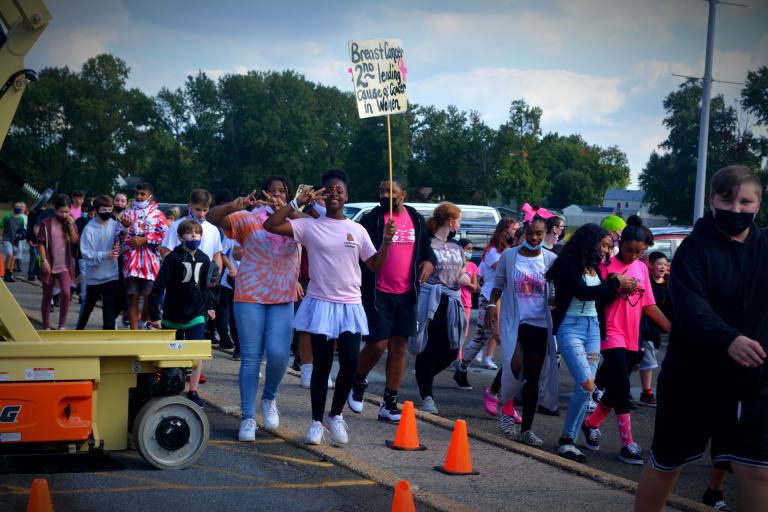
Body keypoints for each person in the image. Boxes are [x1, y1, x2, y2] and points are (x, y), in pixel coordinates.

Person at [635, 165, 766, 512]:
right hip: (694, 382)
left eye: (745, 202)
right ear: (711, 201)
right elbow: (691, 310)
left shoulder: (766, 247)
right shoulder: (694, 249)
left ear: (758, 204)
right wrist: (729, 339)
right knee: (667, 465)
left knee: (758, 472)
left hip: (754, 385)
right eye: (726, 200)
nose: (736, 210)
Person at [263, 169, 396, 446]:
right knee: (322, 367)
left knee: (349, 363)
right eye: (328, 190)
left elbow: (374, 265)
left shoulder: (357, 230)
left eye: (339, 191)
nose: (334, 193)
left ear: (346, 197)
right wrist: (296, 202)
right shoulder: (309, 225)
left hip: (349, 305)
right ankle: (316, 422)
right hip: (321, 303)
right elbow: (271, 225)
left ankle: (335, 415)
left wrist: (386, 241)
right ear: (321, 196)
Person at [207, 174, 303, 441]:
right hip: (250, 293)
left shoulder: (296, 220)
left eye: (281, 191)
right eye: (271, 191)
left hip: (283, 295)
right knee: (251, 357)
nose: (275, 195)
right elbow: (213, 219)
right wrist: (231, 207)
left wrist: (292, 209)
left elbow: (320, 229)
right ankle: (248, 418)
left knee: (279, 353)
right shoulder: (248, 217)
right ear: (263, 192)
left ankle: (269, 398)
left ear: (288, 194)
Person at [580, 215, 671, 465]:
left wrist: (671, 328)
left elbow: (649, 304)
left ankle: (590, 424)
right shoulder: (606, 265)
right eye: (627, 250)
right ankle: (627, 444)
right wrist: (615, 286)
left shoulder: (642, 267)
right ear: (620, 243)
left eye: (638, 251)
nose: (631, 256)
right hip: (610, 331)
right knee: (621, 384)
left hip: (633, 335)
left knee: (616, 385)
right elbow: (597, 299)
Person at [347, 176, 436, 424]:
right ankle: (358, 381)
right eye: (382, 190)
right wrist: (383, 238)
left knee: (399, 348)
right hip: (378, 293)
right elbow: (360, 251)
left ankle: (389, 403)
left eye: (390, 191)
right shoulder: (372, 219)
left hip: (407, 293)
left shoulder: (415, 218)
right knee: (376, 345)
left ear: (403, 195)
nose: (385, 195)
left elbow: (427, 250)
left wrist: (429, 262)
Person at [546, 223, 634, 462]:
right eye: (604, 245)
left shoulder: (595, 266)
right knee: (586, 386)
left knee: (585, 390)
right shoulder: (568, 265)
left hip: (593, 329)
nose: (607, 251)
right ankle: (567, 440)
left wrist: (619, 285)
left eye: (609, 246)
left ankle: (567, 440)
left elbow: (599, 297)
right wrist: (615, 284)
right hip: (571, 329)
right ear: (590, 242)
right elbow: (583, 292)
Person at [484, 203, 558, 446]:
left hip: (540, 325)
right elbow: (498, 285)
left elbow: (553, 293)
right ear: (523, 232)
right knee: (513, 366)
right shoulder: (509, 256)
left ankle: (526, 430)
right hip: (514, 321)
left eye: (539, 234)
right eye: (530, 233)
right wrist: (491, 305)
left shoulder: (551, 259)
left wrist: (555, 300)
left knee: (533, 378)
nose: (535, 238)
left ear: (546, 232)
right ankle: (506, 410)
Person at [149, 218, 215, 408]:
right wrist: (155, 316)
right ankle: (169, 388)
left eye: (197, 232)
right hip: (172, 315)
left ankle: (193, 391)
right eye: (189, 233)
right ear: (180, 237)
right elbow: (157, 289)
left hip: (196, 314)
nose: (194, 235)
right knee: (172, 355)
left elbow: (204, 287)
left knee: (196, 353)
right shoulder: (172, 258)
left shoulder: (204, 258)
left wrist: (209, 306)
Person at [410, 202, 469, 415]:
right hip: (429, 300)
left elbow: (464, 270)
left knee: (452, 350)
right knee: (427, 348)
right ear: (451, 222)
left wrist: (466, 275)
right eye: (459, 221)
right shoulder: (427, 243)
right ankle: (427, 397)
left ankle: (422, 376)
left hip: (452, 302)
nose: (459, 224)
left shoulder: (456, 246)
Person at [160, 189, 222, 389]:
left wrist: (216, 276)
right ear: (189, 206)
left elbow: (216, 255)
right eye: (198, 209)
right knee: (176, 341)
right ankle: (173, 377)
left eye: (205, 210)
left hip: (201, 291)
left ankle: (194, 380)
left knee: (197, 339)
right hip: (179, 292)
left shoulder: (212, 229)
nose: (202, 214)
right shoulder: (178, 226)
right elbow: (166, 252)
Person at [455, 218, 514, 390]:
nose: (518, 234)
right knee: (482, 337)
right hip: (490, 299)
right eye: (514, 230)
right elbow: (506, 272)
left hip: (506, 300)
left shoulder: (509, 251)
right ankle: (461, 368)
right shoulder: (493, 251)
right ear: (504, 231)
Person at [294, 183, 332, 386]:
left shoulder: (341, 220)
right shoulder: (302, 218)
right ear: (312, 198)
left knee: (331, 328)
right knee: (307, 326)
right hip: (307, 279)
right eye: (321, 197)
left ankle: (324, 369)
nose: (325, 201)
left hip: (332, 281)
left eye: (328, 197)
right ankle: (307, 369)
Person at [118, 183, 168, 330]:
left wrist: (145, 240)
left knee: (150, 298)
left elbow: (164, 237)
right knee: (132, 299)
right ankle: (134, 333)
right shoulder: (126, 214)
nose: (139, 196)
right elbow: (119, 239)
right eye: (137, 193)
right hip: (131, 264)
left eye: (143, 194)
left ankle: (142, 323)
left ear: (150, 197)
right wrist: (125, 229)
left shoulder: (158, 215)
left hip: (150, 265)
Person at [76, 196, 120, 330]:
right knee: (88, 305)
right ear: (96, 210)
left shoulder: (115, 224)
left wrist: (120, 248)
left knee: (109, 304)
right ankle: (79, 330)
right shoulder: (89, 228)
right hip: (94, 276)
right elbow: (86, 254)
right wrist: (105, 255)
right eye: (103, 210)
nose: (107, 212)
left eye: (109, 209)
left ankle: (109, 332)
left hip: (111, 274)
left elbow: (121, 245)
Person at [37, 195, 78, 330]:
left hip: (64, 266)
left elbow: (75, 242)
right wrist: (44, 261)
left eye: (67, 212)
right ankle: (46, 326)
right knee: (48, 296)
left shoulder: (70, 223)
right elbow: (41, 243)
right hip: (49, 265)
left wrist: (71, 227)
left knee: (66, 294)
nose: (64, 214)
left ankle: (61, 325)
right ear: (55, 209)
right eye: (61, 211)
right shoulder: (46, 223)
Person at [636, 251, 672, 408]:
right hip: (644, 327)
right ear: (649, 265)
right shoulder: (646, 283)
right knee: (647, 361)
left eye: (665, 264)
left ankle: (617, 382)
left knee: (639, 361)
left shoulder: (668, 284)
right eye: (659, 263)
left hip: (657, 328)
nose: (663, 266)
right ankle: (646, 393)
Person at [212, 189, 237, 351]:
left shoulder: (233, 221)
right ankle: (220, 334)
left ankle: (223, 335)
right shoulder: (213, 223)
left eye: (229, 206)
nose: (226, 210)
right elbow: (220, 250)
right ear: (215, 206)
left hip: (226, 272)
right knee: (217, 305)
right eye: (223, 207)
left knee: (221, 305)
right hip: (218, 270)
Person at [112, 192, 130, 328]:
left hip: (124, 261)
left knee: (124, 295)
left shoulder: (130, 220)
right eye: (117, 200)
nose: (119, 203)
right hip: (107, 261)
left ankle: (118, 315)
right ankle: (111, 319)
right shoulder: (107, 218)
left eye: (122, 201)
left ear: (127, 204)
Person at [2, 201, 25, 282]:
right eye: (17, 206)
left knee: (14, 258)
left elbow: (21, 230)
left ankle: (10, 275)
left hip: (15, 241)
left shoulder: (21, 218)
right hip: (7, 239)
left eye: (20, 207)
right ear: (12, 208)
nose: (18, 208)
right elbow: (1, 226)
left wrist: (21, 235)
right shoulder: (7, 216)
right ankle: (6, 274)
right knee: (10, 254)